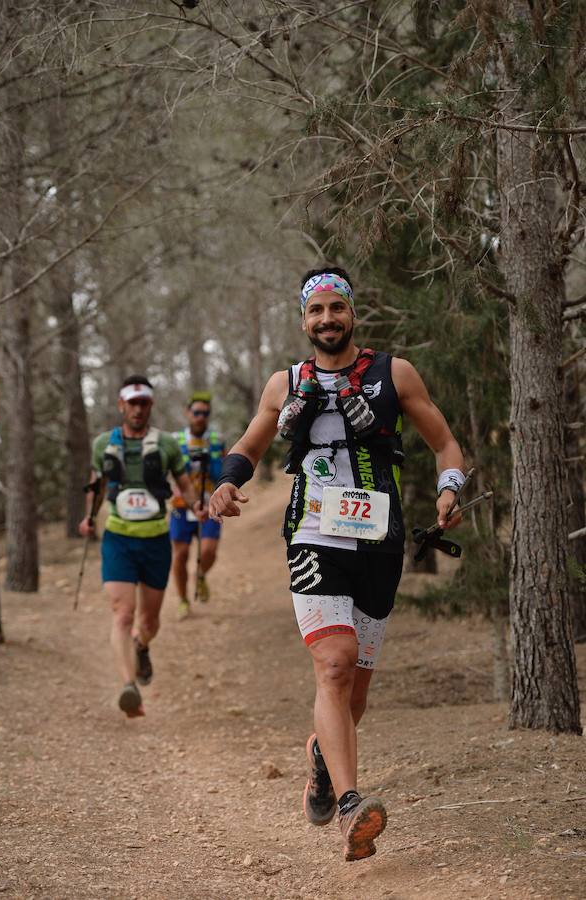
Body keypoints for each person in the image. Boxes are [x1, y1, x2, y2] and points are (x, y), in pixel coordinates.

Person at [209, 267, 465, 862]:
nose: (327, 319)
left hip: (380, 542)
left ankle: (323, 763)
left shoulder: (392, 373)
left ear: (353, 314)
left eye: (337, 309)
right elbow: (248, 447)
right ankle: (353, 808)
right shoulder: (285, 383)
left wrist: (450, 489)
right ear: (303, 320)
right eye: (316, 311)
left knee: (356, 697)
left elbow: (445, 444)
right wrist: (225, 483)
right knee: (335, 663)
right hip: (313, 536)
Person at [79, 376, 203, 718]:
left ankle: (141, 645)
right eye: (131, 403)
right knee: (123, 613)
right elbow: (97, 483)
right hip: (118, 538)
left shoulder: (164, 444)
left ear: (150, 406)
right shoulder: (103, 443)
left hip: (155, 540)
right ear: (121, 405)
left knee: (149, 621)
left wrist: (196, 506)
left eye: (143, 403)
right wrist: (88, 516)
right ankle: (128, 686)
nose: (137, 409)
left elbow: (183, 483)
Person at [169, 391, 226, 618]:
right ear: (188, 413)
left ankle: (200, 575)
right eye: (196, 412)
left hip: (210, 505)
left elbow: (225, 470)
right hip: (181, 506)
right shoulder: (175, 441)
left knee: (209, 550)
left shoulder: (217, 440)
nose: (200, 417)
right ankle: (183, 600)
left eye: (205, 413)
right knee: (180, 555)